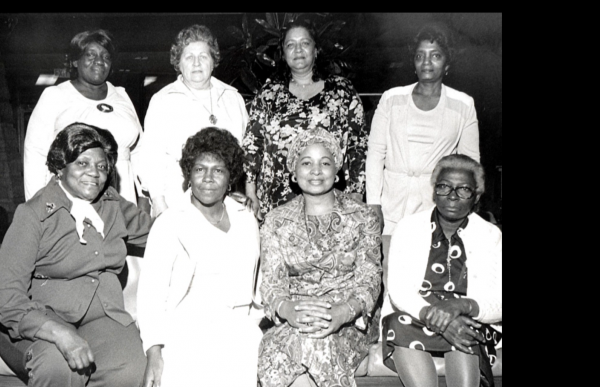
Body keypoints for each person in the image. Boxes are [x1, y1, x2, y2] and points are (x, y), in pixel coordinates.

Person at [0, 123, 152, 387]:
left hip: (100, 315)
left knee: (129, 368)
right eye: (82, 163)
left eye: (102, 167)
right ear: (61, 166)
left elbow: (159, 230)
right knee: (59, 367)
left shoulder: (111, 204)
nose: (94, 172)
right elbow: (6, 295)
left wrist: (212, 205)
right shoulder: (33, 214)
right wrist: (59, 334)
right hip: (39, 319)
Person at [22, 29, 146, 317]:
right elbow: (35, 154)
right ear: (75, 61)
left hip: (120, 193)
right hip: (74, 195)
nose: (98, 61)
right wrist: (41, 209)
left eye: (104, 56)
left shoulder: (122, 96)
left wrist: (145, 198)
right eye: (90, 55)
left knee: (121, 264)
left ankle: (118, 323)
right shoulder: (55, 96)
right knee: (83, 259)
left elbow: (139, 148)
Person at [137, 127, 263, 387]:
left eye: (218, 170)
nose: (208, 178)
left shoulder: (245, 219)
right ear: (188, 175)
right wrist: (154, 352)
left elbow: (256, 284)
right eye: (199, 169)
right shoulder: (170, 222)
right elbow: (150, 294)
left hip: (238, 331)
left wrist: (250, 325)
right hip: (185, 333)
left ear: (231, 177)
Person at [257, 127, 382, 387]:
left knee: (308, 343)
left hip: (349, 318)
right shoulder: (277, 220)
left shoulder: (363, 217)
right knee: (276, 347)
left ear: (336, 172)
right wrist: (288, 309)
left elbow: (370, 278)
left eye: (325, 163)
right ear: (293, 172)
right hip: (296, 317)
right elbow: (271, 283)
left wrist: (341, 313)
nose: (316, 170)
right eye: (306, 163)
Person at [381, 154, 502, 387]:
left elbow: (498, 300)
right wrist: (437, 318)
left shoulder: (490, 235)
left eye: (464, 190)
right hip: (417, 315)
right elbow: (399, 290)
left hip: (468, 319)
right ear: (434, 192)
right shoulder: (408, 227)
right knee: (397, 322)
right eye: (444, 187)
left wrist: (463, 306)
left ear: (476, 197)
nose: (452, 196)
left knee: (466, 330)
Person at [365, 23, 479, 247]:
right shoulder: (391, 99)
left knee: (431, 276)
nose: (427, 62)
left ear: (447, 63)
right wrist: (373, 204)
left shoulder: (463, 105)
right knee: (390, 274)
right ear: (414, 63)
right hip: (391, 209)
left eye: (435, 55)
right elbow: (375, 154)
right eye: (420, 55)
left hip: (437, 210)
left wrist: (463, 209)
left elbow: (469, 165)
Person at [243, 20, 369, 221]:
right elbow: (252, 145)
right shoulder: (269, 94)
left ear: (316, 49)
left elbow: (358, 145)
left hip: (329, 197)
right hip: (276, 201)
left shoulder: (342, 91)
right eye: (290, 45)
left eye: (305, 43)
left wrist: (357, 192)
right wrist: (251, 192)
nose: (298, 50)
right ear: (283, 54)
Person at [137, 24, 249, 217]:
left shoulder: (233, 97)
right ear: (178, 63)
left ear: (214, 61)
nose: (196, 63)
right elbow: (150, 158)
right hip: (177, 201)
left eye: (203, 56)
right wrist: (159, 203)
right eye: (189, 57)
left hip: (225, 202)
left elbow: (245, 153)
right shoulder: (163, 100)